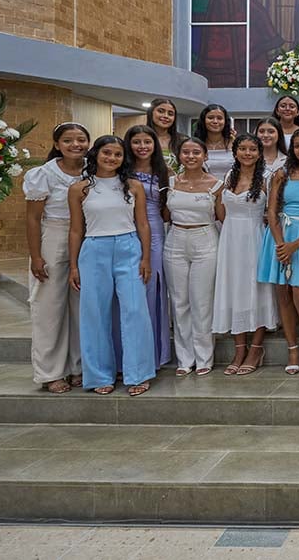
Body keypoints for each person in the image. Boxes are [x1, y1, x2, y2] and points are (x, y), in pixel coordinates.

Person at [67, 136, 156, 397]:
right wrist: (73, 266)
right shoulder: (80, 189)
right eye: (107, 153)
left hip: (129, 247)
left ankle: (138, 373)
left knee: (135, 310)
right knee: (94, 313)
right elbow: (76, 230)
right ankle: (99, 375)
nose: (112, 158)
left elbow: (143, 224)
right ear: (96, 154)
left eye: (118, 154)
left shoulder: (133, 186)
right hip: (94, 249)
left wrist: (146, 258)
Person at [23, 122, 90, 393]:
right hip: (54, 236)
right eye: (68, 140)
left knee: (82, 307)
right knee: (49, 307)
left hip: (88, 237)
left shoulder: (93, 169)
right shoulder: (43, 174)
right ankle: (50, 372)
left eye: (81, 139)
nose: (76, 145)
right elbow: (32, 218)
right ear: (57, 144)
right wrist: (36, 256)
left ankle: (78, 366)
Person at [257, 127, 299, 384]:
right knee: (283, 296)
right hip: (278, 238)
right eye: (297, 146)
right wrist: (280, 244)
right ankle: (292, 351)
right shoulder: (282, 174)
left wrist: (294, 245)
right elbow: (271, 210)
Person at [212, 134, 278, 375]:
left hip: (255, 239)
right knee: (233, 289)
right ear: (235, 151)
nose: (247, 153)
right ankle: (239, 349)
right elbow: (221, 212)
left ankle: (256, 348)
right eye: (242, 148)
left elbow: (272, 212)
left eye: (252, 149)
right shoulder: (229, 177)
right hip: (230, 239)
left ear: (260, 153)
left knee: (256, 289)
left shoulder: (267, 177)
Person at [165, 138, 225, 377]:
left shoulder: (216, 185)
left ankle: (204, 357)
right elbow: (165, 214)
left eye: (196, 152)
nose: (191, 156)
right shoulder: (170, 182)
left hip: (205, 238)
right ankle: (184, 358)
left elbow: (222, 217)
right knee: (179, 301)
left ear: (205, 156)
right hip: (175, 239)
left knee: (201, 301)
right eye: (186, 152)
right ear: (179, 155)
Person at [124, 125, 172, 369]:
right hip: (124, 228)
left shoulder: (164, 172)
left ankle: (152, 354)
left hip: (154, 232)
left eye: (147, 142)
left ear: (155, 145)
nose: (142, 147)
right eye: (137, 142)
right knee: (126, 290)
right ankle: (126, 353)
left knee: (150, 287)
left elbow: (167, 209)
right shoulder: (122, 171)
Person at [193, 104, 235, 181]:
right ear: (203, 120)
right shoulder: (195, 144)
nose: (215, 121)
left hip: (231, 187)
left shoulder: (235, 144)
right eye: (210, 118)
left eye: (219, 118)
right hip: (201, 186)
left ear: (225, 121)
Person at [146, 98, 184, 171]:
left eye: (170, 114)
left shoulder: (182, 140)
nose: (166, 116)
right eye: (160, 111)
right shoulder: (141, 139)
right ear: (151, 113)